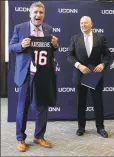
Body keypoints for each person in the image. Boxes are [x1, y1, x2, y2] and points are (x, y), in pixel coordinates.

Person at [9, 1, 59, 152]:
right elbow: (11, 48)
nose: (38, 15)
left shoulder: (49, 29)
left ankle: (39, 136)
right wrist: (21, 45)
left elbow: (50, 51)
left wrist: (55, 45)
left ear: (44, 14)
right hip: (26, 74)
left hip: (44, 74)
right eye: (35, 12)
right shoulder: (20, 28)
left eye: (41, 13)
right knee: (22, 107)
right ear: (30, 14)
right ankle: (20, 138)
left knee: (43, 106)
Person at [66, 16, 111, 138]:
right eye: (81, 23)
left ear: (92, 24)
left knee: (98, 102)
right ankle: (81, 127)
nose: (83, 25)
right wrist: (78, 65)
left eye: (86, 23)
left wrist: (103, 64)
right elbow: (69, 55)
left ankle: (100, 128)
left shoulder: (100, 38)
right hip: (80, 75)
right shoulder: (74, 38)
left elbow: (107, 55)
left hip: (95, 75)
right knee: (81, 102)